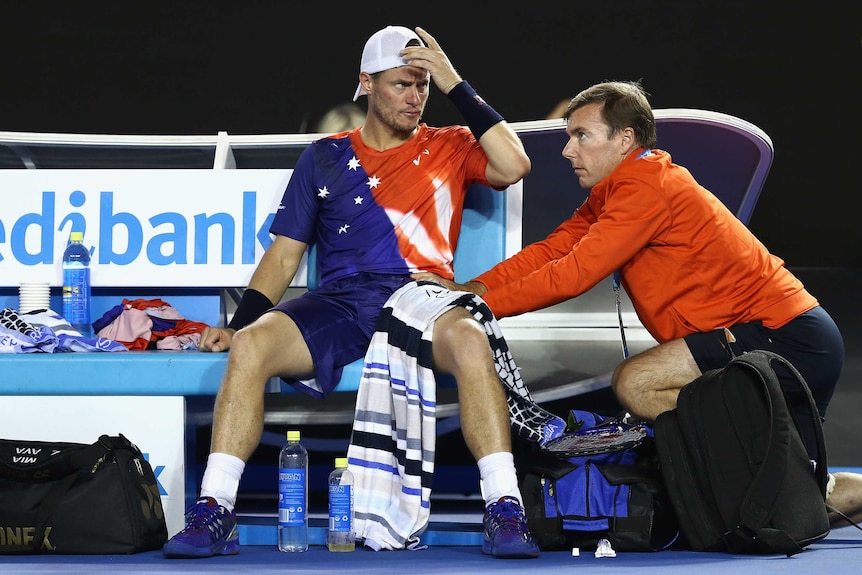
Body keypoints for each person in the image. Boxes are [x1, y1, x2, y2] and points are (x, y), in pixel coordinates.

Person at [162, 25, 539, 559]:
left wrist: (455, 82)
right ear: (366, 83)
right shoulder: (324, 156)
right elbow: (285, 254)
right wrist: (240, 324)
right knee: (251, 346)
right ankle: (215, 510)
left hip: (420, 298)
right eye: (401, 85)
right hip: (341, 303)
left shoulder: (451, 145)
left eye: (422, 86)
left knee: (474, 341)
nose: (415, 97)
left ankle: (505, 508)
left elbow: (515, 164)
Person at [413, 80, 862, 528]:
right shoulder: (616, 191)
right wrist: (473, 290)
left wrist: (479, 309)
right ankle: (784, 478)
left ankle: (760, 471)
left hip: (783, 337)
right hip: (777, 337)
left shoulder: (646, 187)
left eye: (581, 136)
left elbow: (573, 275)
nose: (568, 151)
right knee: (797, 504)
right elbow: (551, 252)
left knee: (638, 382)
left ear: (624, 138)